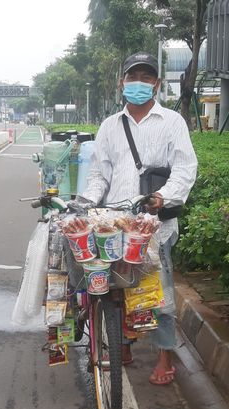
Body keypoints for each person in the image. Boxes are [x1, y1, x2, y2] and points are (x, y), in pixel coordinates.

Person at [82, 52, 198, 386]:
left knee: (157, 290)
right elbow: (99, 174)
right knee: (115, 284)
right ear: (123, 82)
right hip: (115, 220)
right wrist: (87, 201)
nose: (139, 84)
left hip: (155, 222)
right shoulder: (110, 126)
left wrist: (164, 195)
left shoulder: (172, 122)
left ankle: (164, 356)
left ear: (157, 85)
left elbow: (185, 167)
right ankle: (124, 344)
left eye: (147, 78)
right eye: (134, 77)